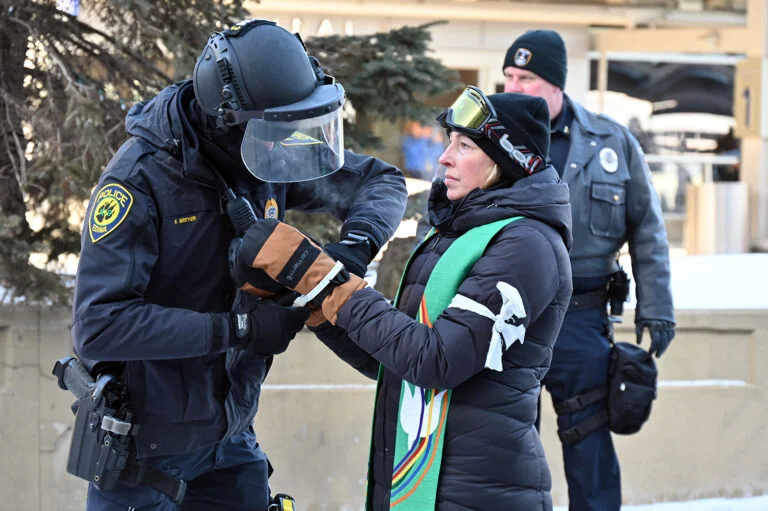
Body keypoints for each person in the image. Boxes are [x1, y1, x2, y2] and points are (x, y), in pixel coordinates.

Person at [71, 19, 407, 511]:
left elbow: (380, 181)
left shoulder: (267, 152)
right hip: (146, 450)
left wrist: (352, 250)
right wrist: (240, 330)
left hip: (230, 432)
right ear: (226, 122)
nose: (283, 145)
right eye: (273, 132)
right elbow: (99, 326)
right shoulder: (138, 183)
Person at [230, 88, 574, 510]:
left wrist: (321, 275)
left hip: (479, 490)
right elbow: (396, 359)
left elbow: (437, 360)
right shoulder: (452, 236)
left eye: (464, 146)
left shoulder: (526, 245)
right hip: (418, 481)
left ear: (505, 161)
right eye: (449, 142)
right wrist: (317, 304)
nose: (444, 157)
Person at [503, 30, 675, 510]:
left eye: (528, 78)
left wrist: (657, 308)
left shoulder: (611, 142)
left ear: (557, 84)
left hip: (581, 319)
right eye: (509, 76)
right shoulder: (487, 141)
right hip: (506, 317)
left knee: (589, 440)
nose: (514, 86)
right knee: (508, 446)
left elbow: (648, 231)